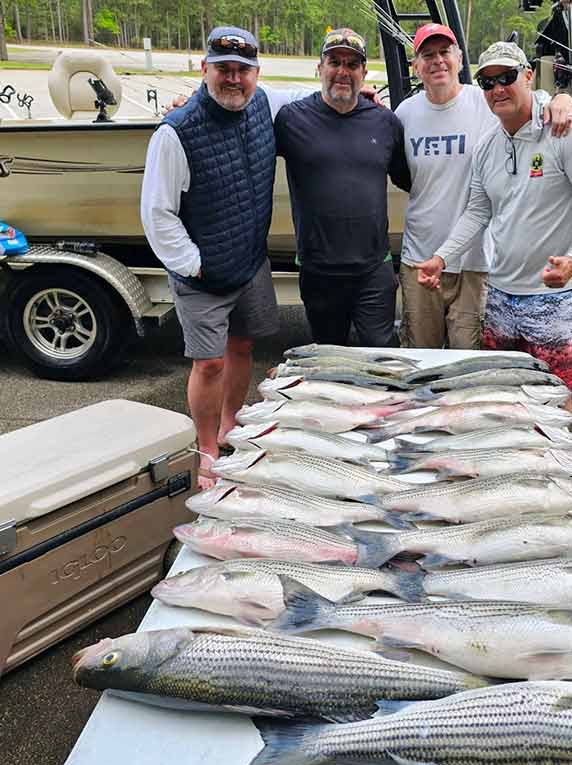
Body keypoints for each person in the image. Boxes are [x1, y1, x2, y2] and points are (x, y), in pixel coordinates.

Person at [141, 27, 307, 488]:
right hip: (202, 270)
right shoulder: (175, 132)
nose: (234, 78)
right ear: (204, 70)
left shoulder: (263, 102)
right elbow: (157, 213)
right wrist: (193, 263)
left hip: (249, 260)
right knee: (209, 363)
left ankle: (231, 422)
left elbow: (304, 97)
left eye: (242, 70)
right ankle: (207, 447)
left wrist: (358, 91)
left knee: (243, 346)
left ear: (256, 73)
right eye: (223, 69)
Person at [415, 41, 572, 410]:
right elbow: (478, 211)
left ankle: (558, 450)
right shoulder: (488, 144)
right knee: (502, 396)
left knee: (552, 398)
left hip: (551, 295)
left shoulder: (566, 130)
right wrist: (442, 258)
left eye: (507, 77)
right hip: (500, 293)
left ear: (529, 76)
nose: (498, 89)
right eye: (487, 82)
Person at [396, 24, 572, 351]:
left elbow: (527, 100)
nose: (437, 61)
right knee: (420, 359)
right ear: (416, 66)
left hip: (477, 262)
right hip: (420, 259)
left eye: (444, 52)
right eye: (427, 55)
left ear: (459, 58)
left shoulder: (485, 100)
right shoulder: (404, 113)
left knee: (469, 363)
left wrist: (561, 99)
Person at [273, 28, 411, 348]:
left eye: (352, 64)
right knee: (328, 356)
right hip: (318, 271)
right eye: (334, 62)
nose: (343, 72)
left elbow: (410, 180)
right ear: (319, 68)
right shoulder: (290, 120)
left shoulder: (385, 122)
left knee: (381, 356)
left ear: (364, 72)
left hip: (374, 269)